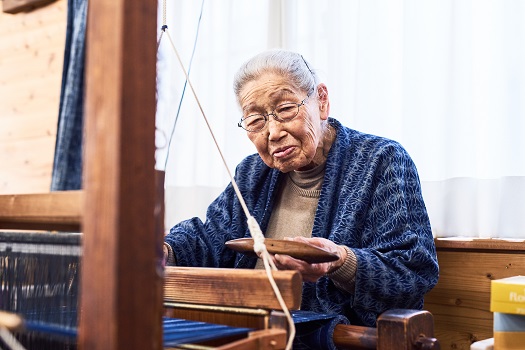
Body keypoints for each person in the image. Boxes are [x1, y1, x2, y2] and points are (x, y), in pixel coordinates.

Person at [163, 49, 439, 328]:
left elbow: (413, 271)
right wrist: (163, 250)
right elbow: (208, 239)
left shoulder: (381, 160)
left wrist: (339, 261)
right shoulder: (251, 173)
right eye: (256, 120)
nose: (272, 132)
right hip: (250, 333)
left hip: (336, 341)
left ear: (321, 101)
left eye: (285, 110)